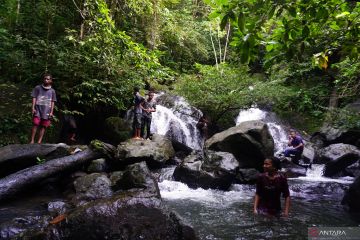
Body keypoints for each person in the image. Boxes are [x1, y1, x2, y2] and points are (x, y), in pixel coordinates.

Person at [30, 73, 57, 144]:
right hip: (38, 109)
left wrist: (51, 112)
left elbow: (53, 102)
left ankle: (39, 141)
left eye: (48, 79)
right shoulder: (37, 88)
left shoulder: (52, 91)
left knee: (43, 126)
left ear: (51, 80)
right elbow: (34, 97)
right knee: (35, 124)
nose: (46, 80)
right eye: (45, 79)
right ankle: (32, 140)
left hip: (47, 111)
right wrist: (33, 108)